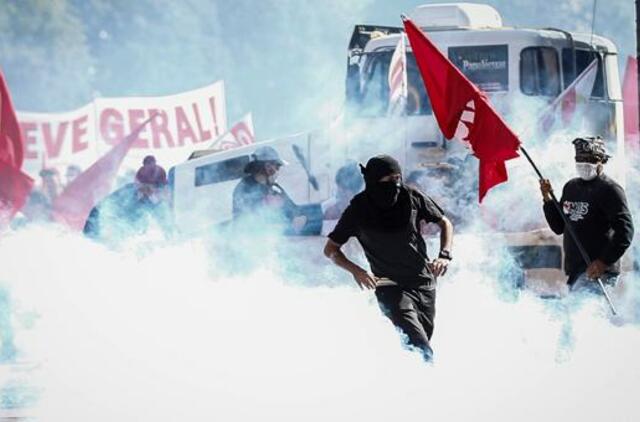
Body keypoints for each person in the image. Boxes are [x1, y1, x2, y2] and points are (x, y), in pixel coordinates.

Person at [323, 155, 454, 361]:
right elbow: (331, 249)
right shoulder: (358, 208)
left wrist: (444, 255)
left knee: (418, 346)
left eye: (397, 178)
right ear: (374, 181)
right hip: (390, 286)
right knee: (420, 348)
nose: (395, 184)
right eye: (388, 180)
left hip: (424, 283)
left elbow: (444, 222)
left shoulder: (411, 197)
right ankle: (433, 387)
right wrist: (356, 271)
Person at [539, 137, 634, 293]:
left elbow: (625, 232)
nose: (584, 163)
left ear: (601, 161)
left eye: (589, 159)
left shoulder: (610, 190)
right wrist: (548, 198)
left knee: (583, 314)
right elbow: (559, 226)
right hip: (575, 269)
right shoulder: (571, 187)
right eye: (580, 158)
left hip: (598, 271)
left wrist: (604, 261)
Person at [83, 155, 172, 242]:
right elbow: (97, 210)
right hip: (120, 240)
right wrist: (91, 238)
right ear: (138, 184)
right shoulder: (125, 194)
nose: (151, 193)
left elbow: (168, 225)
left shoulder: (160, 201)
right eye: (146, 189)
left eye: (155, 190)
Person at [232, 145, 306, 234]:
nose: (278, 170)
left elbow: (293, 209)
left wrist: (299, 217)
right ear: (268, 167)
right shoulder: (244, 189)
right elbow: (248, 221)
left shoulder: (274, 188)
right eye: (277, 166)